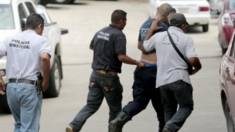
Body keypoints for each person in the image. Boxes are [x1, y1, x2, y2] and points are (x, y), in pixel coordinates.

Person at [66, 9, 144, 132]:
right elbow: (121, 57)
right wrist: (137, 62)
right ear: (121, 21)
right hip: (109, 78)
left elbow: (92, 46)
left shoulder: (100, 32)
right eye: (125, 20)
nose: (126, 23)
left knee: (91, 105)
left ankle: (73, 126)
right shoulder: (119, 35)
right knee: (115, 109)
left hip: (95, 75)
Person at [109, 4, 176, 132]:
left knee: (139, 102)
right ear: (168, 15)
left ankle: (119, 120)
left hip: (142, 68)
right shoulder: (164, 27)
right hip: (156, 71)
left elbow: (140, 46)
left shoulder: (145, 24)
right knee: (162, 109)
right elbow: (148, 47)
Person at [143, 13, 202, 132]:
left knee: (169, 110)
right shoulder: (186, 38)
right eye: (186, 26)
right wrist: (197, 67)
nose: (186, 28)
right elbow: (193, 59)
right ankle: (170, 127)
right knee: (186, 106)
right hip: (179, 79)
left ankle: (168, 128)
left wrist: (151, 29)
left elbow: (145, 46)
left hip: (162, 82)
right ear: (183, 25)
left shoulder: (158, 36)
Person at [0, 14, 51, 132]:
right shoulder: (41, 40)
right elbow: (45, 58)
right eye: (42, 29)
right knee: (29, 128)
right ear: (39, 26)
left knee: (19, 125)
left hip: (11, 88)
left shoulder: (10, 38)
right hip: (29, 88)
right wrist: (46, 82)